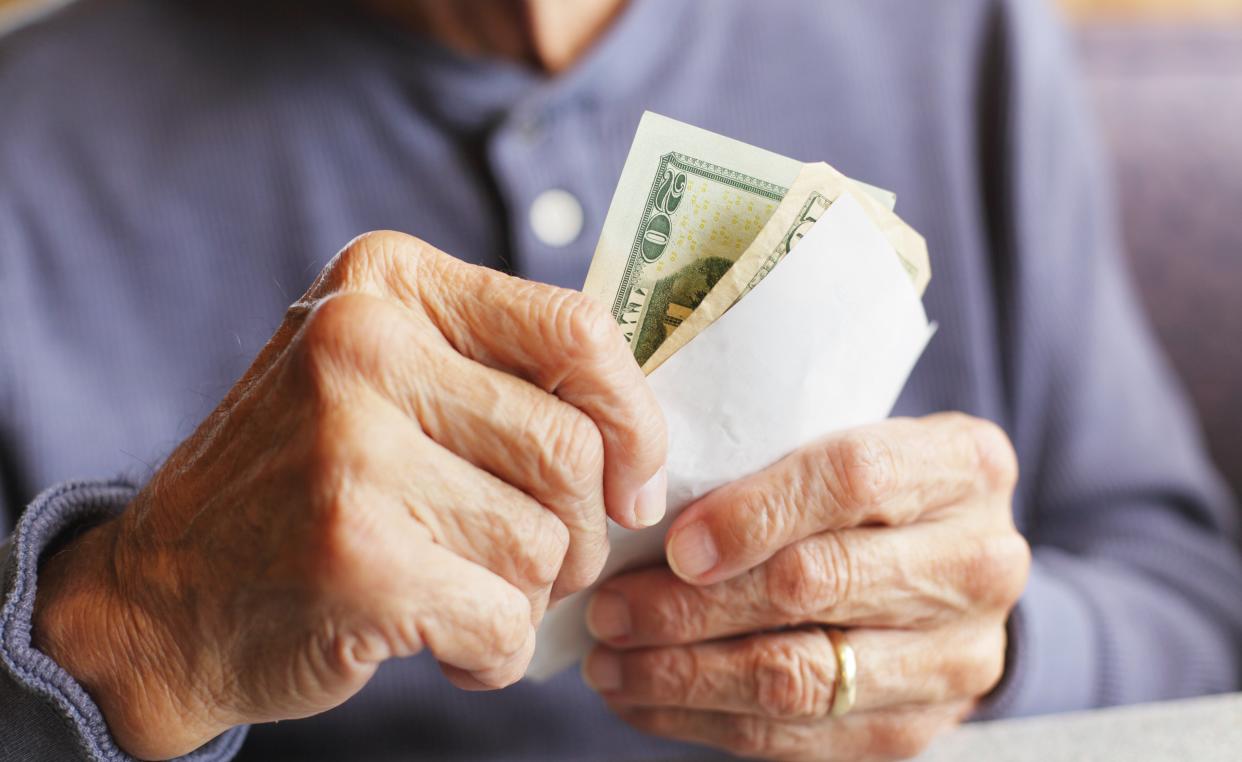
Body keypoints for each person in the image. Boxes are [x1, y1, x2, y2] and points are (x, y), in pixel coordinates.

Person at [1, 0, 1239, 760]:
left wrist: (995, 651)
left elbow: (1195, 610)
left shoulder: (957, 31)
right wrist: (140, 627)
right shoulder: (29, 142)